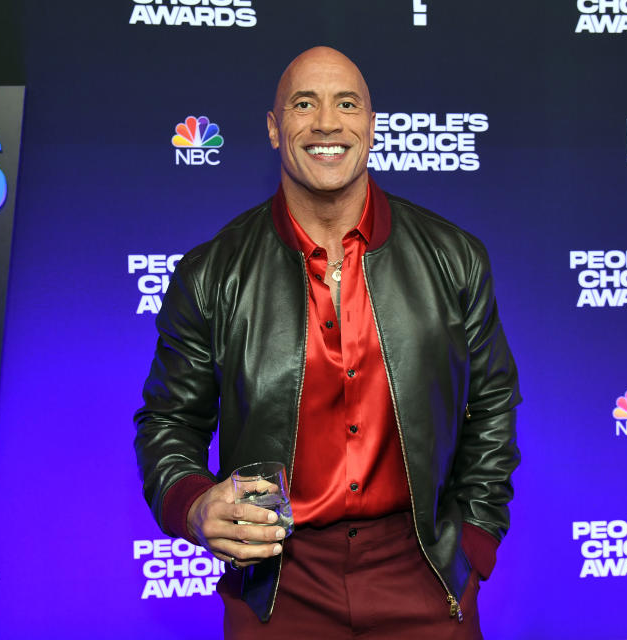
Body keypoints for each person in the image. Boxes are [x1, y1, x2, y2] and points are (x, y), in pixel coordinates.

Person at [134, 46, 520, 639]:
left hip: (422, 572)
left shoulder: (454, 257)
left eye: (347, 104)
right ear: (272, 128)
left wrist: (474, 541)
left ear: (369, 124)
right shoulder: (211, 274)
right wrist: (193, 505)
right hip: (279, 583)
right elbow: (167, 424)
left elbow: (493, 404)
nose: (326, 124)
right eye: (303, 104)